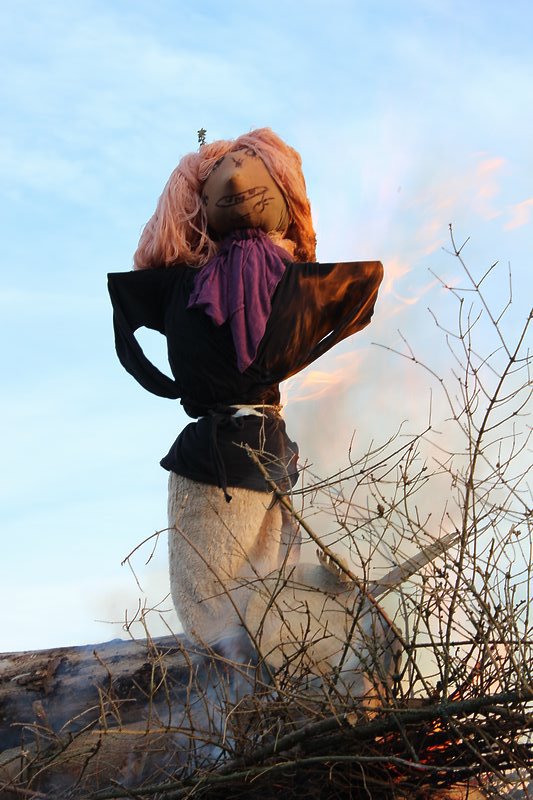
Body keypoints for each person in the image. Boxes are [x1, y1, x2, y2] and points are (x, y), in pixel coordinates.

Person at [108, 128, 383, 662]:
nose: (235, 179)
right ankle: (304, 656)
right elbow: (357, 286)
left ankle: (274, 666)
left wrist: (171, 385)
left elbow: (130, 302)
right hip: (266, 450)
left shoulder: (187, 285)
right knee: (263, 592)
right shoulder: (288, 279)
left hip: (218, 460)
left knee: (216, 610)